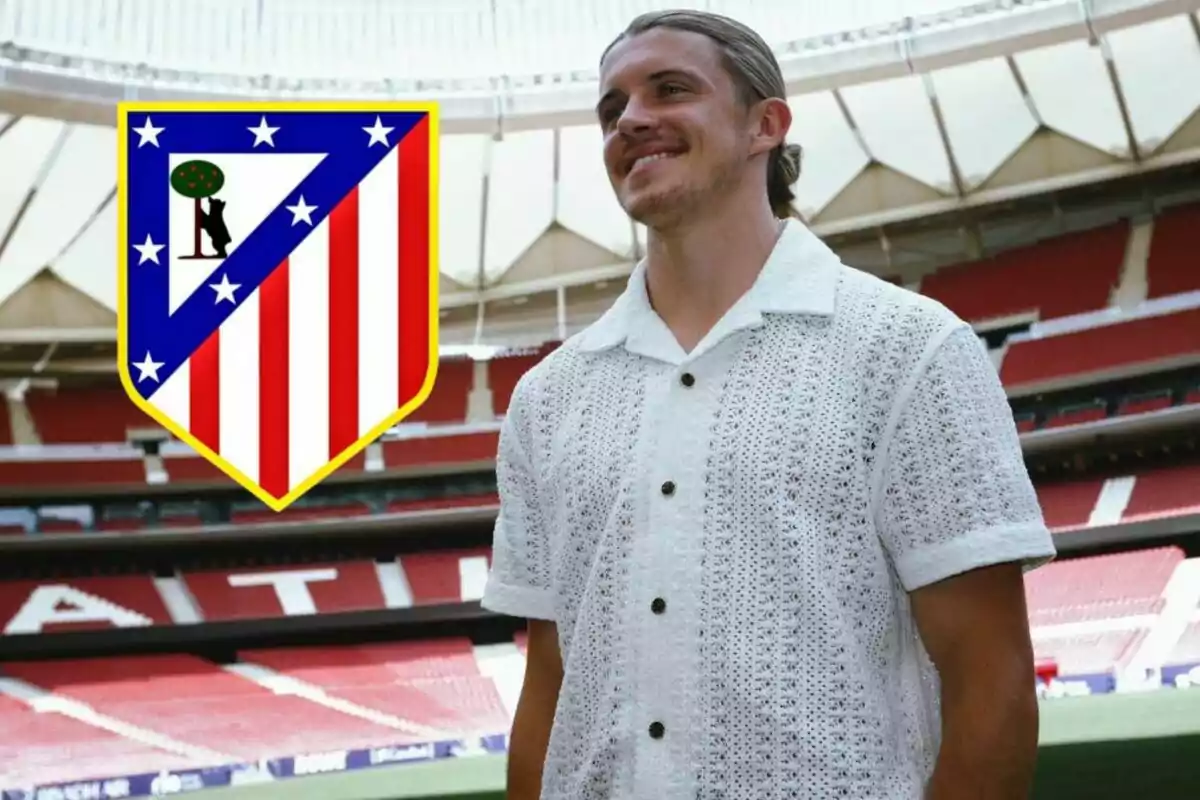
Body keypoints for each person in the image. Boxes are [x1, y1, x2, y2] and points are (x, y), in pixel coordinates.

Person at [481, 9, 1056, 800]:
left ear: (766, 126)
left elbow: (990, 677)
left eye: (670, 89)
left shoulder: (909, 348)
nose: (632, 120)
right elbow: (549, 682)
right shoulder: (546, 400)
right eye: (613, 110)